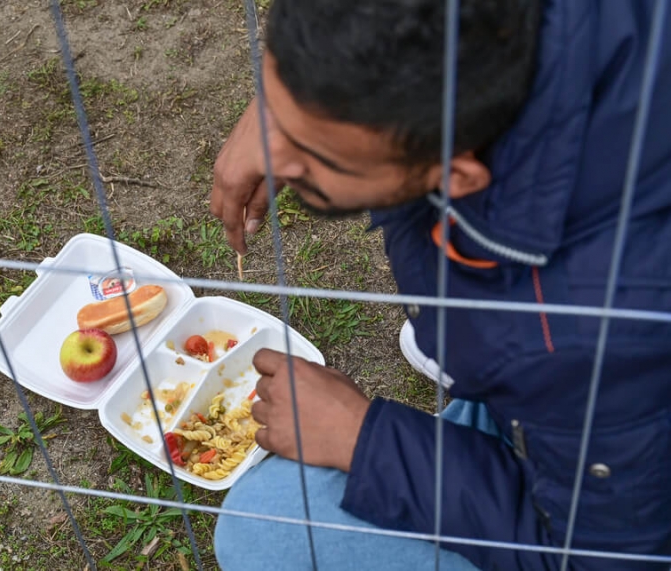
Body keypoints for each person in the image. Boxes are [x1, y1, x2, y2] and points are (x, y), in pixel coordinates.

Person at [209, 1, 671, 570]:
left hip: (625, 492)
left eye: (316, 157)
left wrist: (362, 438)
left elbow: (603, 561)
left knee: (268, 526)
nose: (273, 154)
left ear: (456, 179)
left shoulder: (584, 337)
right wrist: (291, 96)